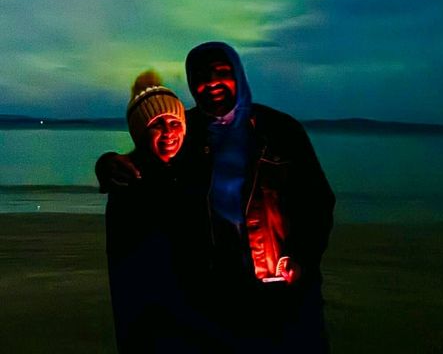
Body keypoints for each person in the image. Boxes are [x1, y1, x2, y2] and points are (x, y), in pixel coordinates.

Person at [97, 42, 335, 352]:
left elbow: (317, 202)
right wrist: (107, 163)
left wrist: (300, 258)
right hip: (213, 301)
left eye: (221, 72)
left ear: (239, 75)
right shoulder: (185, 130)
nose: (211, 82)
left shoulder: (280, 131)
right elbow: (145, 158)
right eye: (200, 75)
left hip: (283, 295)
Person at [104, 70, 229, 353]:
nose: (169, 131)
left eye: (175, 122)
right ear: (138, 132)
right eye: (157, 124)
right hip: (155, 319)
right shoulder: (130, 185)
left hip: (201, 311)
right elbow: (128, 272)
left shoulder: (193, 166)